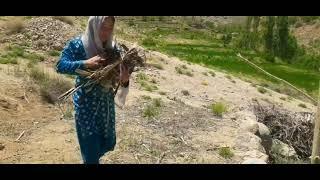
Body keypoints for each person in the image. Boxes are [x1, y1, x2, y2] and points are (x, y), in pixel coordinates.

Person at [56, 16, 130, 164]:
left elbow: (118, 79)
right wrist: (85, 63)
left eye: (110, 28)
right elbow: (60, 65)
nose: (106, 32)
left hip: (105, 106)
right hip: (86, 105)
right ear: (93, 25)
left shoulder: (112, 49)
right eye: (103, 27)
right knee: (90, 148)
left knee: (102, 144)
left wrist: (124, 80)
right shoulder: (78, 45)